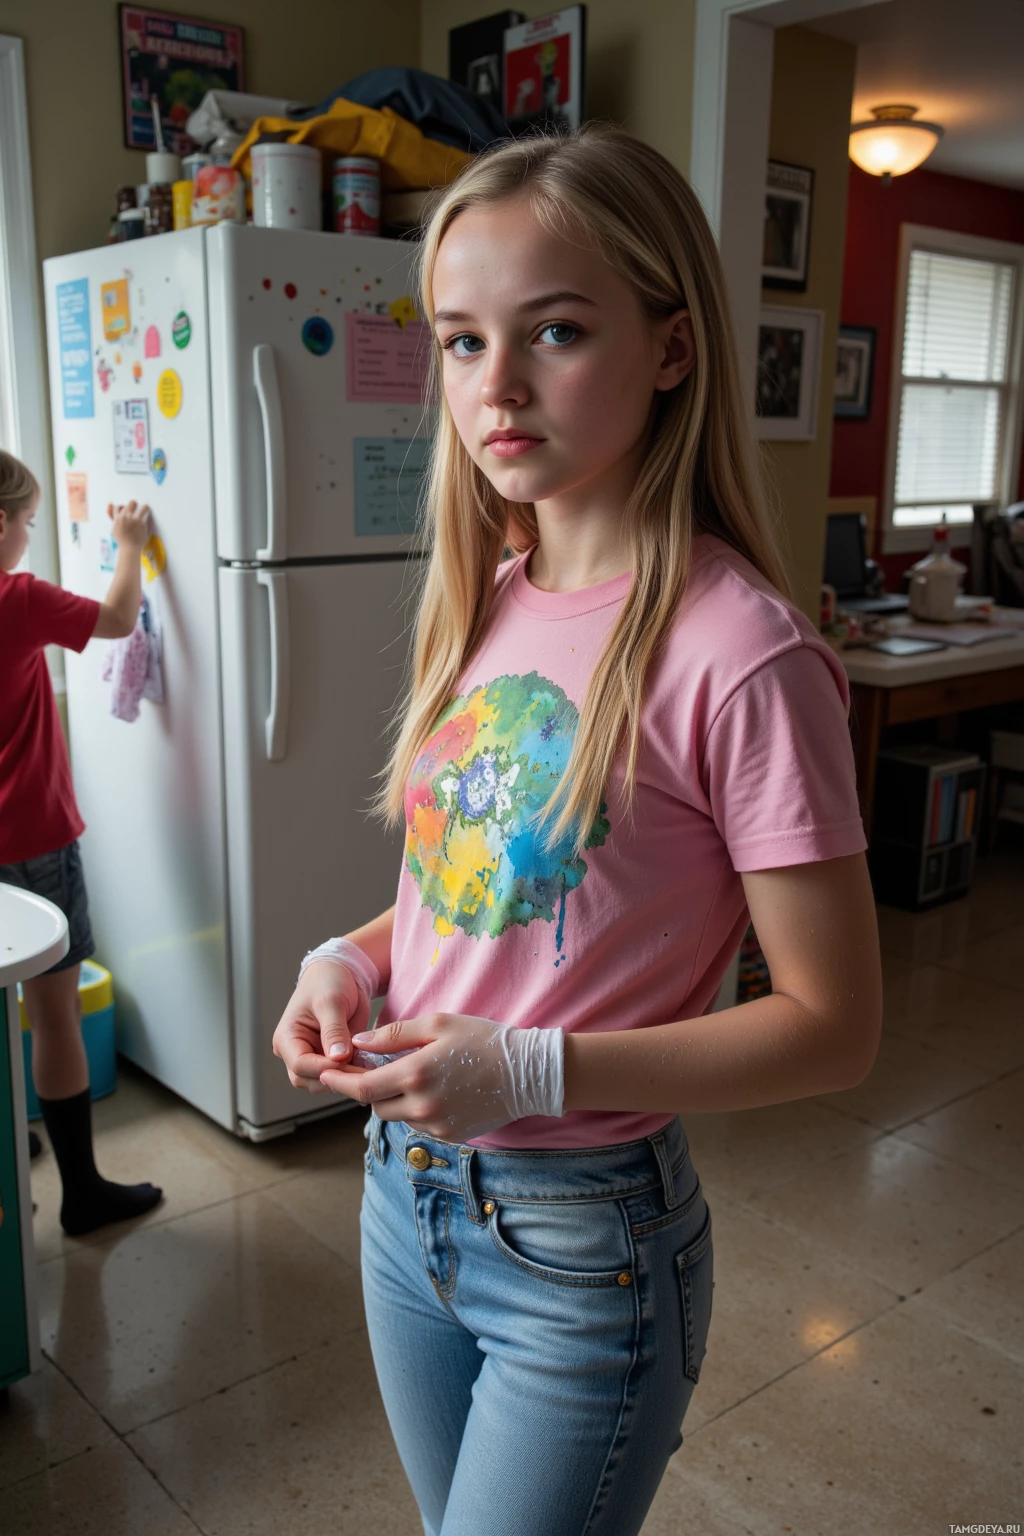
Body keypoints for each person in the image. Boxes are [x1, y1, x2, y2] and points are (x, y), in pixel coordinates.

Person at [272, 124, 882, 1536]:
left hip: (581, 1246)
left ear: (671, 348)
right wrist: (350, 963)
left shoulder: (744, 654)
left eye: (554, 331)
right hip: (403, 1204)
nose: (497, 387)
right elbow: (464, 894)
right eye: (462, 342)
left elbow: (834, 1026)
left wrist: (528, 1070)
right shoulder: (492, 587)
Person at [0, 450, 163, 1237]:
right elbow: (117, 620)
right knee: (53, 1016)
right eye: (29, 523)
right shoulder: (15, 597)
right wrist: (130, 545)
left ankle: (7, 1179)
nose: (30, 536)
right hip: (29, 838)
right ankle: (83, 1195)